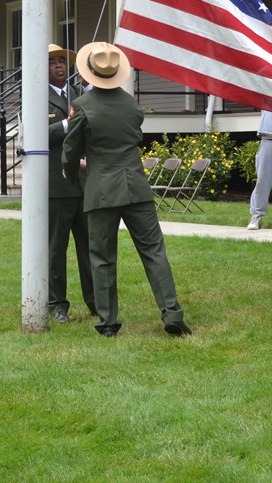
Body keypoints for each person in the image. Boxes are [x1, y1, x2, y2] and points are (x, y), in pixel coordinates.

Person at [62, 42, 191, 338]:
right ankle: (172, 313)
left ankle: (108, 322)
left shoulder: (81, 107)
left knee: (103, 256)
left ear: (89, 74)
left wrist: (72, 174)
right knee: (154, 251)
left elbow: (71, 152)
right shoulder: (132, 105)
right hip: (136, 186)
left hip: (102, 189)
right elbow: (134, 136)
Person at [45, 43, 95, 324]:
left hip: (83, 184)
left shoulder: (77, 94)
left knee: (89, 247)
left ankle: (95, 301)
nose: (59, 66)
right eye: (52, 62)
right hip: (56, 186)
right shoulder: (35, 96)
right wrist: (66, 124)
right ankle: (58, 304)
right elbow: (35, 133)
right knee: (56, 248)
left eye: (62, 61)